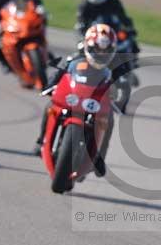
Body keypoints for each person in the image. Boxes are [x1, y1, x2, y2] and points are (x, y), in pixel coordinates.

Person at [28, 24, 117, 177]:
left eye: (105, 51)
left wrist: (116, 99)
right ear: (88, 45)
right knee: (50, 107)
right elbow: (59, 73)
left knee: (109, 119)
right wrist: (50, 86)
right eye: (97, 49)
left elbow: (117, 88)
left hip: (93, 102)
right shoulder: (74, 58)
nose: (101, 54)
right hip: (74, 97)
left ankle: (99, 157)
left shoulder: (112, 68)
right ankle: (40, 140)